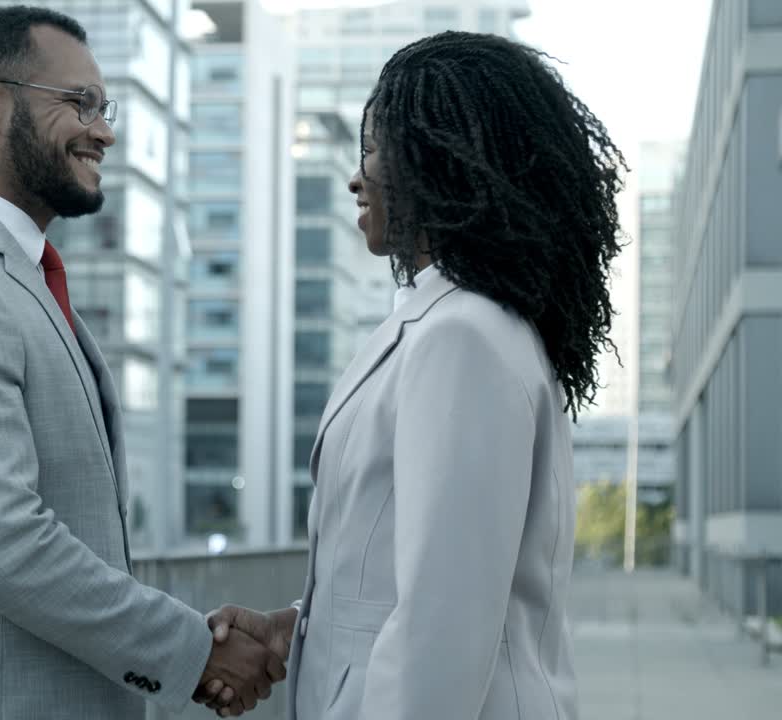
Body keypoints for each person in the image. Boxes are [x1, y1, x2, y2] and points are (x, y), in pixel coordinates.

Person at [0, 6, 283, 719]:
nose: (103, 130)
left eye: (104, 107)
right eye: (80, 104)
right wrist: (194, 652)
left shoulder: (23, 281)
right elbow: (1, 544)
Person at [207, 30, 626, 719]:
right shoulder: (455, 325)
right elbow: (406, 578)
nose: (355, 175)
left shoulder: (462, 338)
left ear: (438, 162)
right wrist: (299, 627)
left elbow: (443, 625)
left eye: (372, 149)